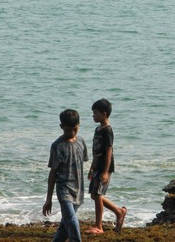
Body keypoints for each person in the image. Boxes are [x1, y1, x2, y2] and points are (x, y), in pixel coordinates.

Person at [43, 109, 89, 242]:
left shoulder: (81, 142)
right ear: (61, 127)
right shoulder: (57, 146)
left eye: (75, 129)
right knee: (73, 223)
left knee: (65, 227)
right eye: (68, 130)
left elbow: (82, 161)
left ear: (79, 125)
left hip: (78, 190)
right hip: (64, 191)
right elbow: (53, 173)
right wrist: (48, 199)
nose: (72, 133)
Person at [87, 98, 127, 234]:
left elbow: (109, 151)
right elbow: (95, 151)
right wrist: (91, 168)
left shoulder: (107, 130)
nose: (93, 116)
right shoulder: (98, 129)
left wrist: (105, 172)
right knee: (94, 195)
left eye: (95, 113)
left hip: (105, 167)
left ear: (104, 114)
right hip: (97, 166)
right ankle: (118, 211)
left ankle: (99, 226)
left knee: (97, 195)